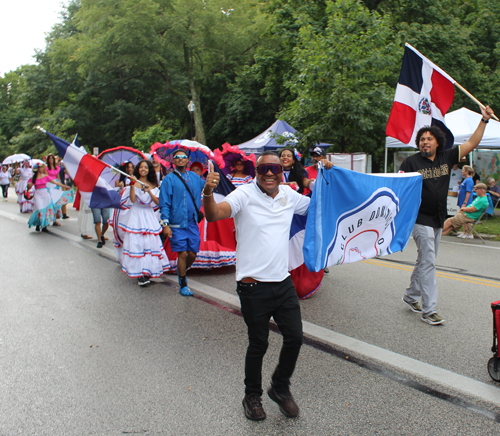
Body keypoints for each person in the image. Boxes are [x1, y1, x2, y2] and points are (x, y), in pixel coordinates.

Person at [202, 151, 333, 421]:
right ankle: (252, 396)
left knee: (295, 337)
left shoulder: (288, 195)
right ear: (256, 172)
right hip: (253, 287)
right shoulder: (244, 194)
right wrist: (207, 193)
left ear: (281, 171)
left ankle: (280, 387)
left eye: (275, 168)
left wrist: (330, 175)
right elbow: (215, 214)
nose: (270, 173)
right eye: (264, 169)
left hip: (282, 282)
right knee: (258, 344)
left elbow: (321, 206)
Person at [400, 105, 494, 326]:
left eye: (429, 138)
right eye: (422, 139)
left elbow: (472, 143)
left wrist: (484, 120)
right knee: (429, 261)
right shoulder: (410, 163)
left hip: (438, 219)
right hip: (419, 218)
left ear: (437, 142)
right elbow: (398, 188)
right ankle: (429, 310)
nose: (425, 142)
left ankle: (410, 296)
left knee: (425, 260)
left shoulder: (447, 156)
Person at [114, 160, 169, 286]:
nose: (143, 169)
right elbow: (132, 200)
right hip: (136, 216)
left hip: (149, 216)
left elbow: (158, 203)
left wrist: (149, 190)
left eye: (146, 167)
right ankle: (139, 273)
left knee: (150, 244)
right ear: (138, 169)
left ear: (149, 169)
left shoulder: (154, 185)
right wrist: (133, 185)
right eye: (141, 167)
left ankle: (148, 270)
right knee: (137, 243)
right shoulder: (132, 183)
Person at [159, 149, 205, 296]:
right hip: (176, 224)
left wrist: (213, 176)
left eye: (183, 157)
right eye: (177, 157)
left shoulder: (195, 177)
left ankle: (182, 271)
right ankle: (183, 283)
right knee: (183, 253)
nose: (180, 159)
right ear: (173, 160)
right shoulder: (168, 179)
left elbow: (208, 185)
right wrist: (165, 225)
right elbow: (164, 203)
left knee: (192, 253)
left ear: (187, 160)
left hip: (192, 223)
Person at [27, 163, 70, 232]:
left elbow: (55, 182)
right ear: (37, 169)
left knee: (45, 210)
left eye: (42, 167)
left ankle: (44, 226)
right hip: (38, 194)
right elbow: (29, 186)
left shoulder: (45, 176)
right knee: (39, 209)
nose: (42, 168)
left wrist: (65, 186)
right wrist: (29, 185)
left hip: (45, 194)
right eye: (41, 167)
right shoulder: (33, 178)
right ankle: (38, 224)